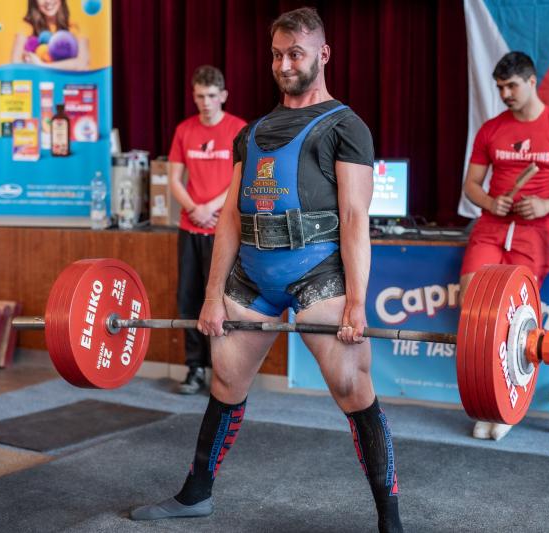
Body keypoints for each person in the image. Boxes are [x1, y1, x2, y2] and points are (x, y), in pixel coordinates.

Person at [131, 7, 403, 532]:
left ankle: (389, 518)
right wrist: (213, 295)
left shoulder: (347, 127)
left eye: (295, 54)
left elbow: (354, 219)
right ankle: (196, 494)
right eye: (277, 55)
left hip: (318, 273)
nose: (284, 65)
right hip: (253, 275)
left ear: (323, 54)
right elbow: (231, 219)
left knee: (352, 386)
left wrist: (356, 302)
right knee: (226, 379)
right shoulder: (251, 132)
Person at [459, 51, 549, 441]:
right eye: (500, 87)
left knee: (512, 317)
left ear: (532, 82)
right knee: (474, 306)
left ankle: (505, 407)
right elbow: (471, 185)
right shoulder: (491, 129)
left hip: (538, 231)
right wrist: (489, 201)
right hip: (492, 226)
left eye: (512, 86)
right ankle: (487, 401)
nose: (505, 94)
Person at [168, 66, 247, 394]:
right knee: (188, 299)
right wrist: (193, 209)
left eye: (212, 95)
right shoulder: (184, 130)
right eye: (200, 96)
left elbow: (241, 179)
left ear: (223, 96)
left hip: (223, 231)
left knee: (222, 301)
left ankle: (223, 370)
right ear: (194, 96)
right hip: (190, 229)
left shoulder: (238, 129)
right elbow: (174, 179)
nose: (206, 102)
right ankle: (195, 368)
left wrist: (210, 208)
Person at [10, 0, 90, 70]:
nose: (48, 1)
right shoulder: (26, 26)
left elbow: (82, 64)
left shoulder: (75, 27)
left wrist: (41, 65)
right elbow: (15, 63)